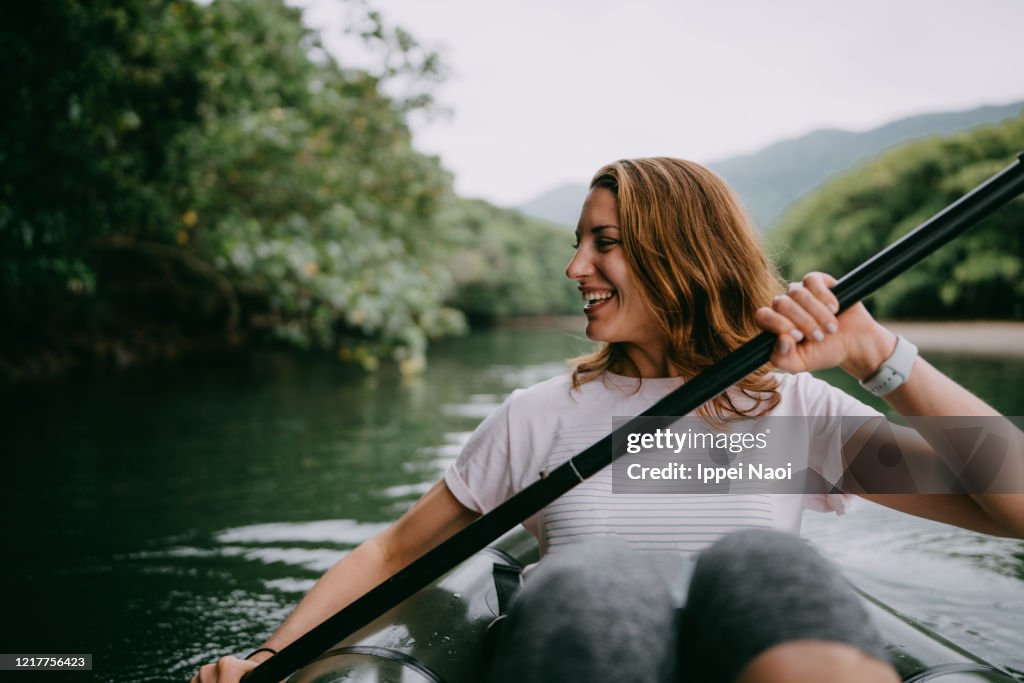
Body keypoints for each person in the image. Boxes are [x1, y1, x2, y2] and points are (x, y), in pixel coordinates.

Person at [192, 157, 1024, 683]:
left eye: (604, 243)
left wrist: (879, 354)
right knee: (594, 575)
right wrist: (271, 657)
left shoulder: (792, 406)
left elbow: (1012, 505)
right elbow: (397, 551)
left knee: (763, 561)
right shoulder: (540, 417)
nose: (574, 266)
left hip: (747, 644)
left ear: (682, 256)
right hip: (584, 637)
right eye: (578, 242)